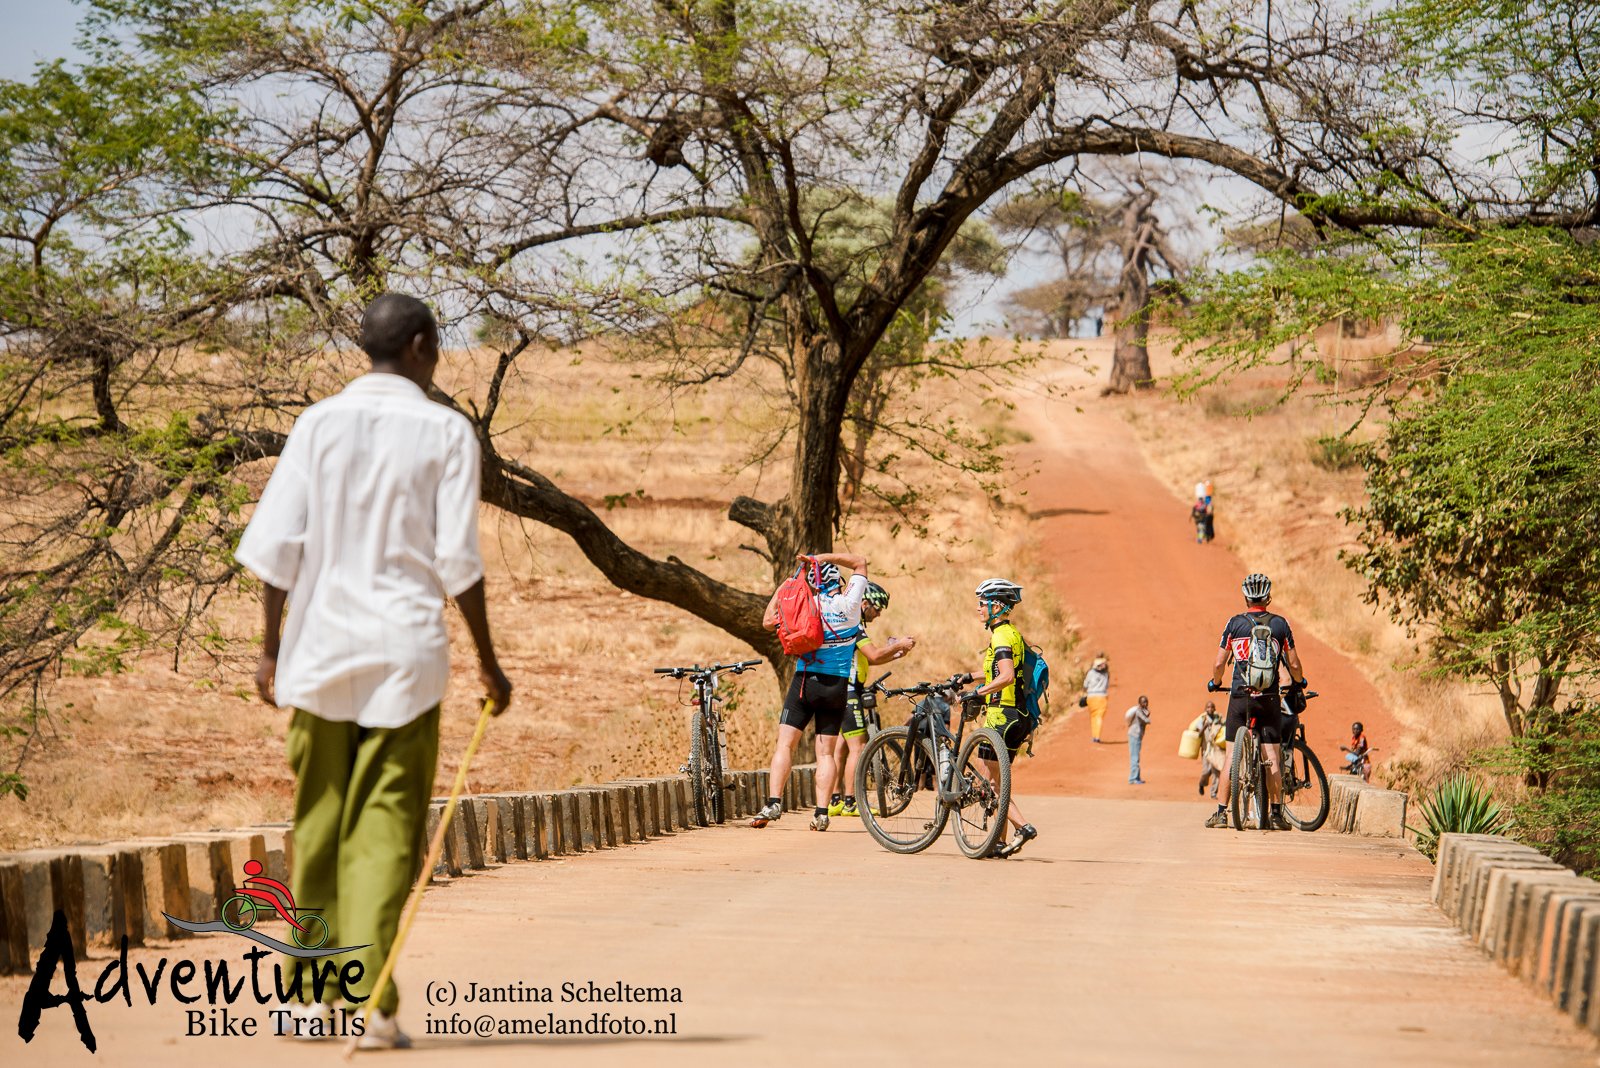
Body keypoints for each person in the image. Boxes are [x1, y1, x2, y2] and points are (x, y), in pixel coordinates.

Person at [237, 293, 513, 1049]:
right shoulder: (446, 432)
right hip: (406, 658)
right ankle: (368, 1001)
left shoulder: (317, 424)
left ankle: (306, 997)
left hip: (320, 651)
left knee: (319, 824)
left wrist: (271, 648)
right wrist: (490, 663)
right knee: (384, 833)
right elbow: (458, 562)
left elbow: (275, 549)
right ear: (421, 345)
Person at [754, 552, 869, 831]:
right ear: (840, 583)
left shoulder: (806, 604)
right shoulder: (851, 605)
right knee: (826, 754)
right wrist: (822, 557)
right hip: (837, 686)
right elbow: (860, 561)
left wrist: (787, 583)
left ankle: (773, 802)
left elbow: (768, 622)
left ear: (815, 584)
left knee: (785, 744)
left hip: (806, 681)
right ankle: (821, 812)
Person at [1206, 572, 1307, 830]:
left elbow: (1219, 663)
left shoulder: (1234, 623)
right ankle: (1275, 813)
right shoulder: (1280, 625)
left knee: (1231, 755)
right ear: (1267, 597)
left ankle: (1221, 813)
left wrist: (1216, 682)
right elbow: (1293, 664)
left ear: (1246, 596)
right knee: (1271, 753)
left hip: (1241, 696)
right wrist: (1298, 681)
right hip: (1269, 697)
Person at [829, 581, 917, 818]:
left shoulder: (845, 623)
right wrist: (897, 644)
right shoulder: (854, 626)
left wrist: (895, 654)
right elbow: (875, 653)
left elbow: (873, 659)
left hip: (839, 690)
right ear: (864, 603)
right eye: (877, 609)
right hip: (848, 692)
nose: (878, 614)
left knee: (841, 748)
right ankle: (850, 802)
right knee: (857, 748)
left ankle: (835, 800)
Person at [964, 578, 1038, 859]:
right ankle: (998, 841)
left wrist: (976, 694)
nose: (979, 608)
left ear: (997, 606)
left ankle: (1023, 827)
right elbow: (1005, 670)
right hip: (1017, 716)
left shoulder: (1000, 636)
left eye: (982, 603)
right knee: (998, 780)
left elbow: (1005, 677)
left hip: (1000, 717)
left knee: (989, 782)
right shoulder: (1011, 634)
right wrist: (970, 677)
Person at [1190, 701, 1226, 799]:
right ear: (1205, 709)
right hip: (1206, 750)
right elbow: (1199, 734)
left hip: (1216, 750)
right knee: (1206, 771)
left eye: (1212, 707)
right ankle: (1202, 784)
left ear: (1214, 709)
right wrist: (1205, 726)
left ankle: (1213, 792)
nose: (1210, 709)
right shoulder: (1202, 720)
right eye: (1208, 707)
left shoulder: (1218, 719)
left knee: (1216, 771)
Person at [1083, 653, 1110, 742]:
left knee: (1093, 716)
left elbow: (1085, 685)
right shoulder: (1106, 674)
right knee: (1099, 717)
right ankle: (1097, 737)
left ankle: (1094, 736)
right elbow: (1106, 685)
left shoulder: (1090, 673)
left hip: (1091, 697)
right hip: (1102, 697)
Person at [1124, 695, 1150, 785]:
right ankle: (1133, 778)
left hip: (1136, 735)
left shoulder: (1142, 711)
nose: (1145, 703)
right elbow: (1146, 720)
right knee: (1135, 757)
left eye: (1146, 702)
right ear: (1139, 703)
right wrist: (1147, 715)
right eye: (1143, 702)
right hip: (1134, 735)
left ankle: (1136, 777)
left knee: (1136, 756)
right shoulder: (1139, 711)